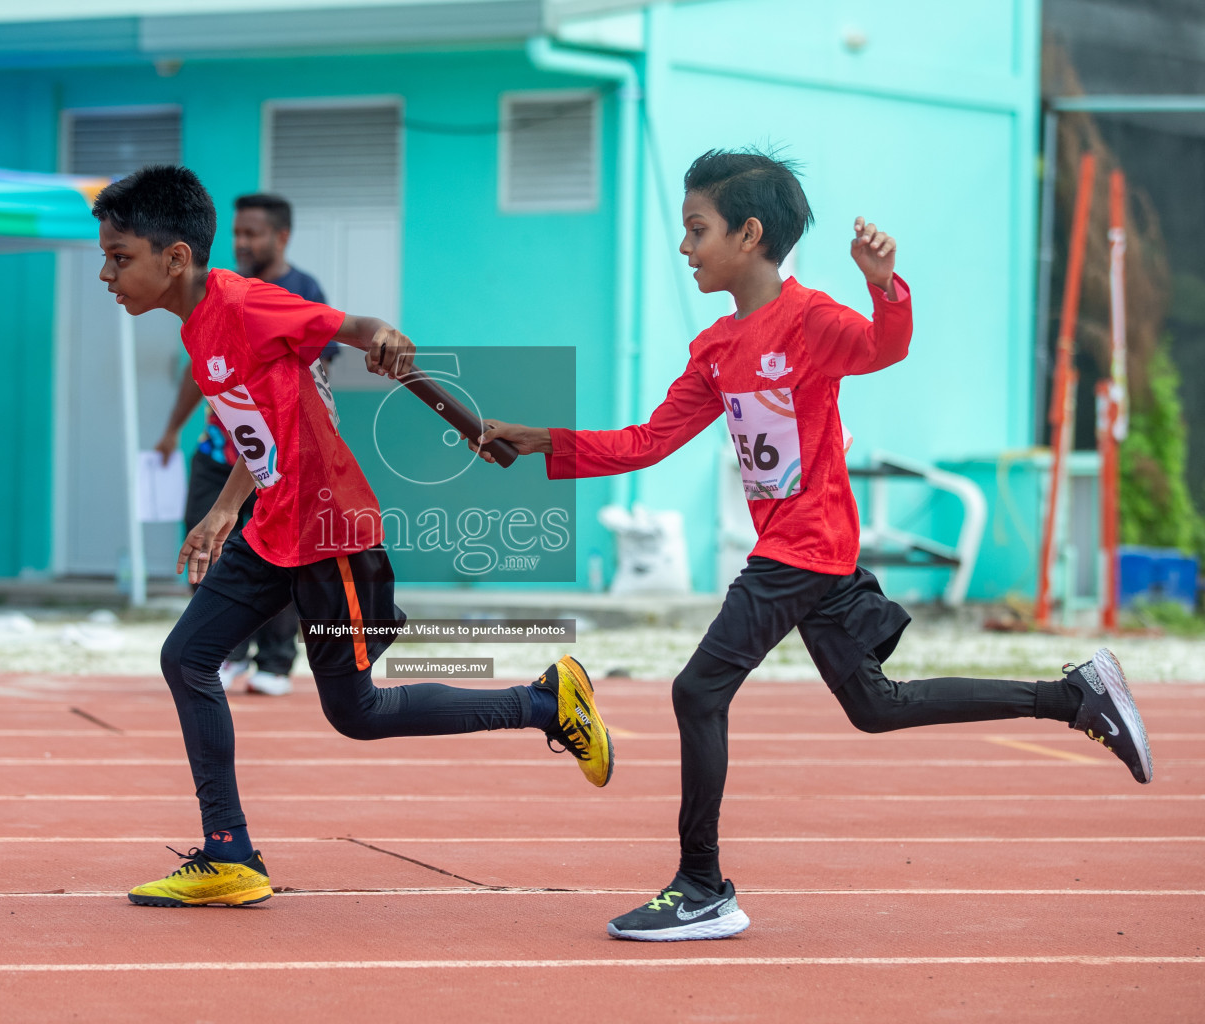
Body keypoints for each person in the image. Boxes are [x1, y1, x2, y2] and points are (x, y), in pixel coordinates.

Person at [473, 148, 1154, 942]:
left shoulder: (812, 321)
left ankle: (701, 886)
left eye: (697, 230)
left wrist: (882, 283)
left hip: (805, 543)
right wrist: (542, 444)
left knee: (696, 691)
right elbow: (647, 442)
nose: (685, 248)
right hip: (805, 550)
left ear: (750, 235)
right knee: (874, 706)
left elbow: (884, 346)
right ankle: (1073, 696)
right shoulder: (717, 350)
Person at [94, 165, 615, 909]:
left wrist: (388, 338)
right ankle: (229, 854)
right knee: (187, 657)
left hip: (330, 531)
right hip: (274, 526)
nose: (108, 276)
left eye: (120, 258)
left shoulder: (246, 302)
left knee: (356, 713)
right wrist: (221, 513)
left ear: (175, 257)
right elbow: (263, 429)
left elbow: (358, 330)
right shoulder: (198, 325)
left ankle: (546, 703)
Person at [153, 194, 334, 697]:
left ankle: (275, 661)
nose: (242, 242)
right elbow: (201, 372)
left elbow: (313, 381)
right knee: (206, 545)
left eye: (251, 233)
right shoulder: (214, 295)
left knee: (277, 557)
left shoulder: (298, 291)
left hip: (274, 461)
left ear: (281, 237)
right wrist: (172, 428)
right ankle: (224, 651)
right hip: (219, 451)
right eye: (237, 233)